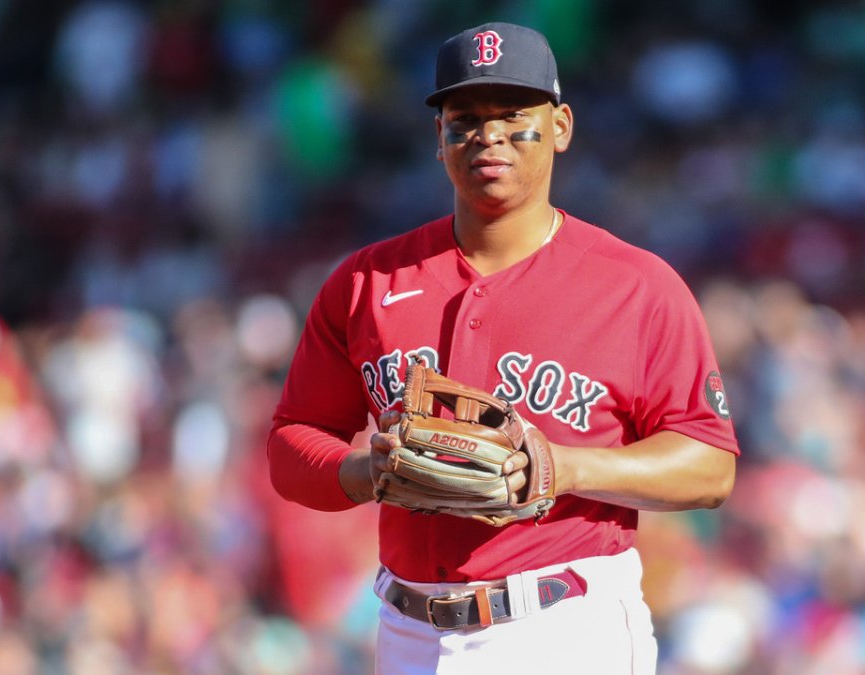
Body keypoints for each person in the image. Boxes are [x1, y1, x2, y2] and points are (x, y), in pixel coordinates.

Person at [267, 21, 739, 674]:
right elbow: (293, 442)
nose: (489, 135)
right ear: (440, 137)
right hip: (409, 628)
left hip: (565, 626)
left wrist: (569, 469)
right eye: (465, 117)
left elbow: (710, 466)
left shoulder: (638, 287)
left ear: (562, 127)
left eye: (514, 114)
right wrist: (365, 471)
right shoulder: (366, 282)